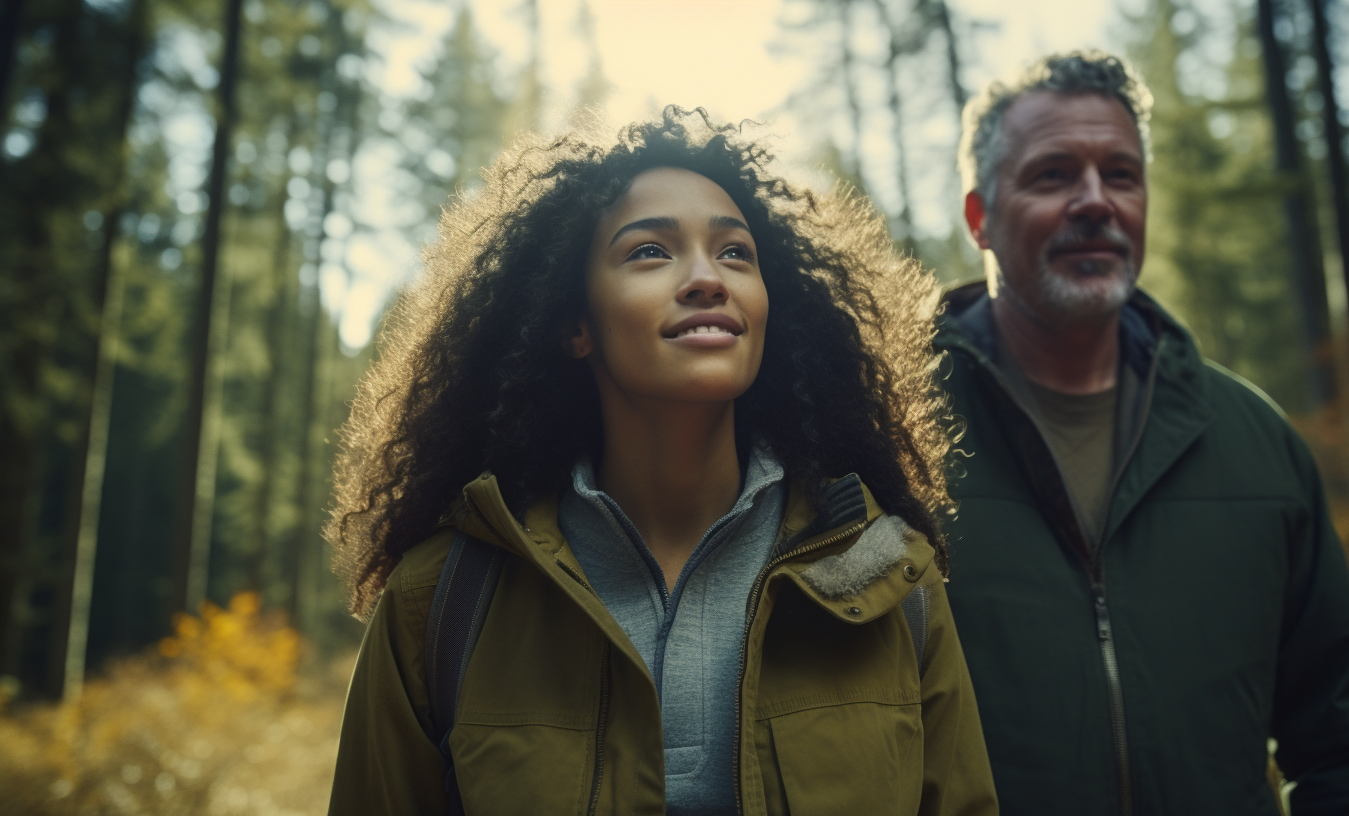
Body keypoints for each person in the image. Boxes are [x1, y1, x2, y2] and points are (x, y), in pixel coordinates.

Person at [325, 107, 998, 816]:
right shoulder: (439, 600)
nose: (708, 278)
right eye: (650, 251)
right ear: (575, 325)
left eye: (736, 252)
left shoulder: (892, 578)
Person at [937, 52, 1349, 815]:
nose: (1095, 201)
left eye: (1121, 174)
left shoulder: (1255, 441)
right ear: (981, 219)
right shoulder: (890, 438)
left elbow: (1348, 740)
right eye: (1054, 174)